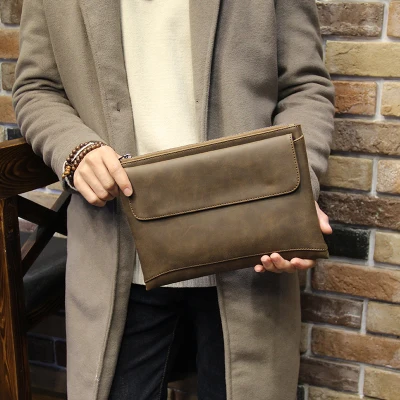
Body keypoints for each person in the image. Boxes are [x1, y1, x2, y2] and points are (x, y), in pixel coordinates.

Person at [12, 0, 335, 399]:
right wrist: (73, 148)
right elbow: (37, 88)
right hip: (118, 252)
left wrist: (293, 193)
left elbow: (304, 86)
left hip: (250, 254)